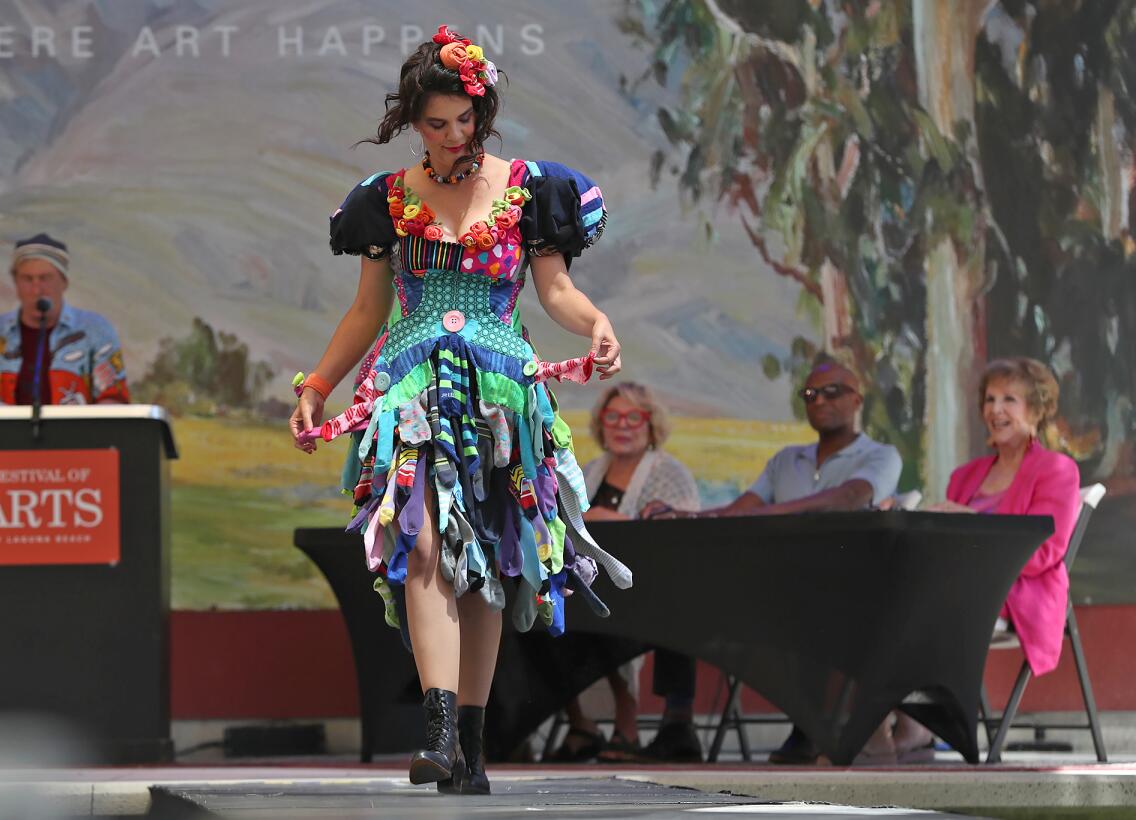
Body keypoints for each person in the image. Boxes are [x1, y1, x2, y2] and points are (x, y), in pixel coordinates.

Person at [289, 26, 627, 796]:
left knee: (493, 562)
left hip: (503, 390)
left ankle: (470, 744)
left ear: (483, 114)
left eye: (462, 122)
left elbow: (558, 293)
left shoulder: (530, 191)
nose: (449, 137)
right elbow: (366, 311)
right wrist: (317, 385)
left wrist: (597, 325)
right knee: (424, 544)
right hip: (413, 388)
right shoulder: (386, 200)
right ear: (415, 120)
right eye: (434, 124)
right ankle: (438, 730)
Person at [644, 359, 902, 764]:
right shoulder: (786, 460)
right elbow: (739, 509)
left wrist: (772, 512)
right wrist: (686, 516)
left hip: (842, 591)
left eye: (832, 391)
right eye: (810, 394)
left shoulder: (881, 456)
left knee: (814, 605)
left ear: (856, 399)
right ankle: (678, 722)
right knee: (680, 591)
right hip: (771, 584)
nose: (819, 400)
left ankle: (808, 731)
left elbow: (848, 499)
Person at [549, 382, 699, 763]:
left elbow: (679, 533)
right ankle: (581, 724)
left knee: (613, 617)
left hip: (651, 590)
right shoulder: (590, 472)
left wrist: (609, 519)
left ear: (651, 425)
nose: (622, 425)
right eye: (612, 417)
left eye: (634, 417)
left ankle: (629, 723)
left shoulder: (669, 473)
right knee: (548, 612)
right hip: (592, 585)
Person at [938, 357, 1080, 677]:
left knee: (906, 620)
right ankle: (897, 722)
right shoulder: (963, 476)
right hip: (953, 588)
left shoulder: (1056, 470)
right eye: (990, 399)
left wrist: (971, 520)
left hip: (1013, 595)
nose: (995, 410)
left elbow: (1044, 551)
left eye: (1008, 400)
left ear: (1035, 409)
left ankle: (913, 722)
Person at [0, 233, 129, 407]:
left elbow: (114, 397)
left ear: (64, 282)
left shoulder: (96, 329)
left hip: (78, 433)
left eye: (45, 278)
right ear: (16, 284)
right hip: (4, 434)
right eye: (27, 279)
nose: (36, 289)